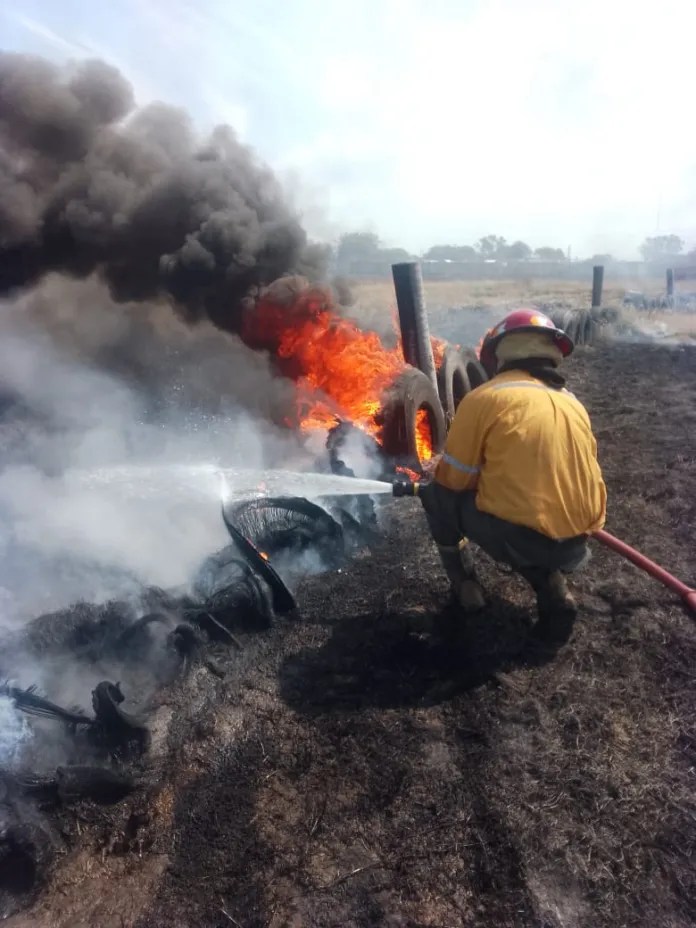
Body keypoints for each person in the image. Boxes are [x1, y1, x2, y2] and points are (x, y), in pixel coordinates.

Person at [418, 308, 607, 643]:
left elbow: (454, 480)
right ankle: (554, 591)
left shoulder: (484, 399)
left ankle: (465, 585)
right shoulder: (572, 402)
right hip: (580, 540)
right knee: (535, 518)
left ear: (497, 355)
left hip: (525, 538)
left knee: (434, 495)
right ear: (552, 353)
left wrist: (439, 471)